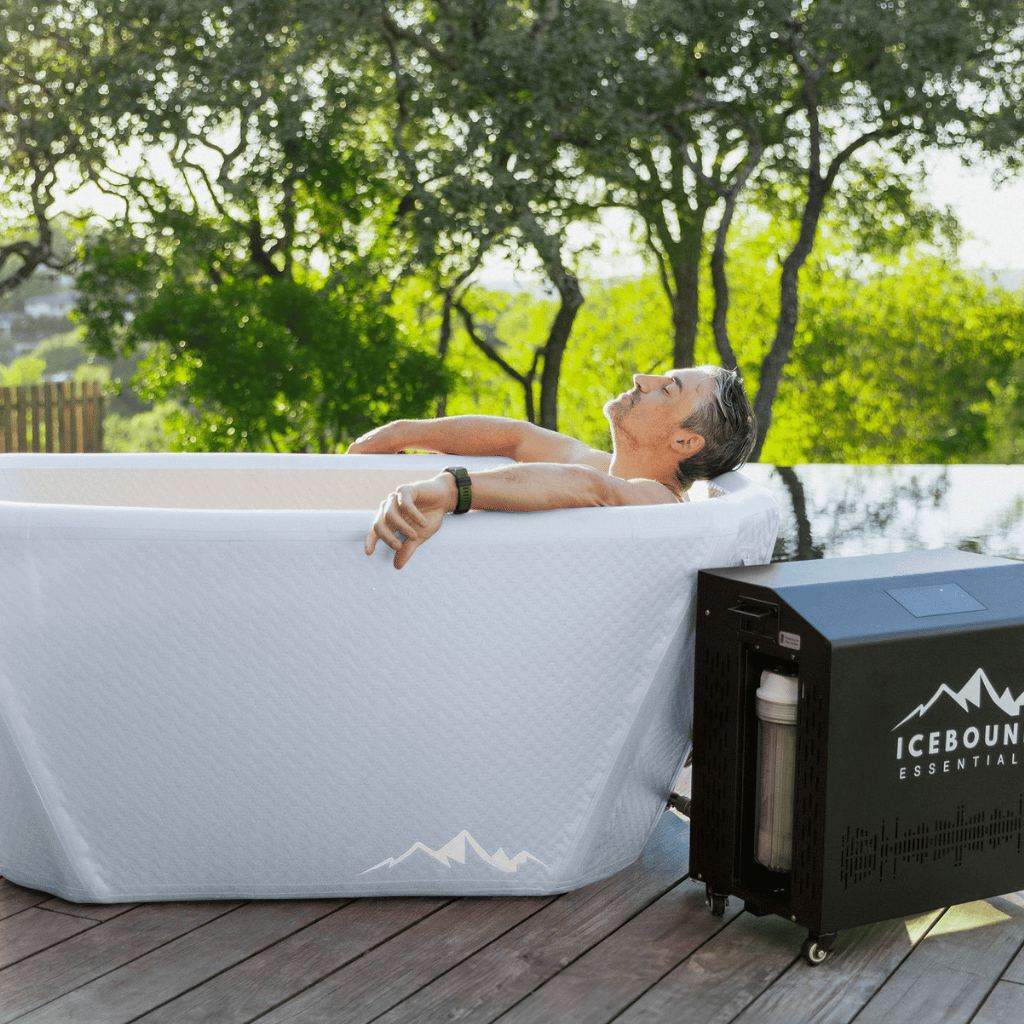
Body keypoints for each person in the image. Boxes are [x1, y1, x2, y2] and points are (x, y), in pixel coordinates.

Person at [348, 364, 757, 568]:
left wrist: (453, 489)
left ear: (685, 441)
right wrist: (400, 433)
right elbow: (515, 437)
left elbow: (588, 488)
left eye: (667, 388)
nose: (641, 378)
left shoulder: (659, 502)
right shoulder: (601, 466)